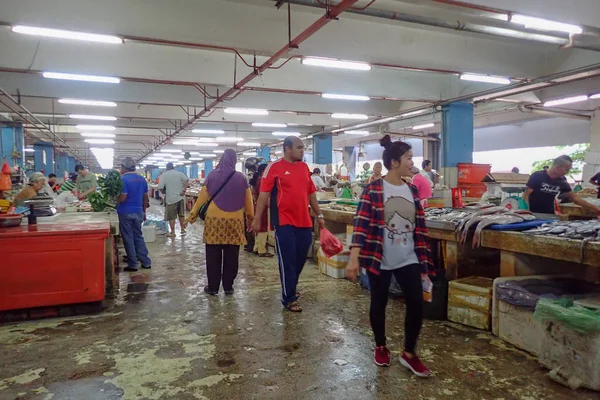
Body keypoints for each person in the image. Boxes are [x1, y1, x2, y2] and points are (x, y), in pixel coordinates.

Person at [346, 134, 433, 377]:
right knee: (379, 302)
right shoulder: (373, 189)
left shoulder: (413, 189)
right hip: (379, 257)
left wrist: (424, 259)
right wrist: (354, 258)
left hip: (409, 257)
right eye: (408, 158)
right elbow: (361, 224)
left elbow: (420, 227)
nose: (412, 162)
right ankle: (381, 345)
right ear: (395, 162)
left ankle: (409, 353)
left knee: (416, 303)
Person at [252, 136, 325, 312]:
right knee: (287, 260)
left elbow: (311, 194)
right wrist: (256, 219)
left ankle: (291, 286)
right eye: (299, 147)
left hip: (304, 221)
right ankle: (289, 297)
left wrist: (319, 214)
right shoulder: (274, 168)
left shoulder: (304, 168)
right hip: (283, 221)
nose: (302, 150)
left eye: (303, 148)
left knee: (300, 259)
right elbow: (263, 195)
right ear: (287, 149)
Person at [187, 149, 254, 296]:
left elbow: (201, 199)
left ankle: (213, 288)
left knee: (213, 255)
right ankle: (228, 287)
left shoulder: (211, 176)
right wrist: (250, 219)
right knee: (232, 255)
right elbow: (248, 203)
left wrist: (192, 216)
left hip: (214, 221)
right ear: (234, 161)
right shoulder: (241, 178)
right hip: (235, 222)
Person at [524, 155, 600, 215]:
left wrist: (596, 209)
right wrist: (526, 211)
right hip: (534, 214)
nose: (567, 172)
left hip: (549, 214)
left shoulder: (562, 180)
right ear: (557, 168)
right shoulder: (537, 176)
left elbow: (575, 198)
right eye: (567, 169)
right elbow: (526, 195)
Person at [116, 157, 152, 272]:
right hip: (138, 212)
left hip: (125, 212)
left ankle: (133, 264)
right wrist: (144, 212)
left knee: (128, 238)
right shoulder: (142, 179)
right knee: (138, 237)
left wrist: (115, 198)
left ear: (124, 168)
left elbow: (123, 197)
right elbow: (145, 197)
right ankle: (146, 262)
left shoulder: (123, 180)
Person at [157, 162, 189, 238]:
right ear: (173, 167)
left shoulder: (164, 175)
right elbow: (186, 180)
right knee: (181, 215)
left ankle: (173, 232)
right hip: (180, 197)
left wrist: (163, 192)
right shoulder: (179, 173)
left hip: (170, 199)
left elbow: (160, 187)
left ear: (166, 168)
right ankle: (183, 230)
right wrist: (184, 190)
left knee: (172, 216)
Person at [250, 164, 274, 257]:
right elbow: (264, 195)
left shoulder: (258, 180)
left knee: (258, 228)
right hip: (262, 207)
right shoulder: (262, 181)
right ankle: (262, 250)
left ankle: (256, 248)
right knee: (263, 228)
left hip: (257, 205)